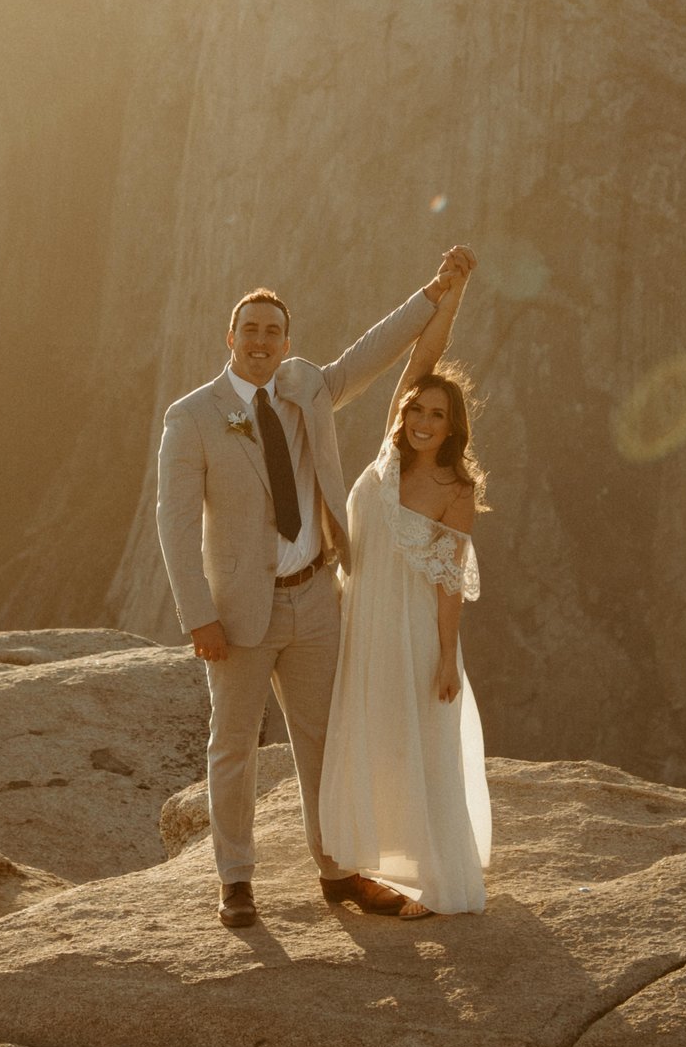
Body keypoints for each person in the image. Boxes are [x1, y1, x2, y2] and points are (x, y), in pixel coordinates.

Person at [156, 247, 476, 928]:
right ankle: (236, 880)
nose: (263, 342)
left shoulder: (305, 386)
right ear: (231, 339)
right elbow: (176, 527)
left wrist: (433, 294)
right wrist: (197, 617)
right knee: (233, 745)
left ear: (287, 343)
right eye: (252, 330)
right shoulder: (193, 418)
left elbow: (372, 354)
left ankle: (337, 871)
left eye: (274, 331)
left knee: (325, 744)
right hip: (240, 611)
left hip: (315, 597)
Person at [318, 286, 491, 918]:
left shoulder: (456, 491)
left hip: (414, 631)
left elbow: (449, 583)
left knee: (415, 746)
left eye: (437, 415)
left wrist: (447, 658)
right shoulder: (389, 456)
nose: (422, 421)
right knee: (375, 741)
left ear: (453, 426)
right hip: (360, 621)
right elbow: (423, 356)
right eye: (417, 409)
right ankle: (377, 865)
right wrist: (448, 294)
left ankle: (435, 879)